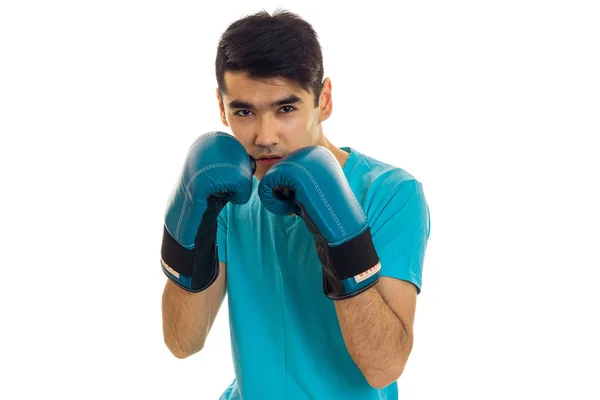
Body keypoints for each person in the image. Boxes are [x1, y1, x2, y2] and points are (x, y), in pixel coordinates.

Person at [160, 8, 431, 400]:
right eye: (244, 111)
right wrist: (190, 223)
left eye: (286, 109)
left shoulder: (390, 193)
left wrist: (340, 239)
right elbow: (182, 342)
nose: (265, 136)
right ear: (221, 108)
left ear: (324, 101)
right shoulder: (226, 193)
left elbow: (383, 366)